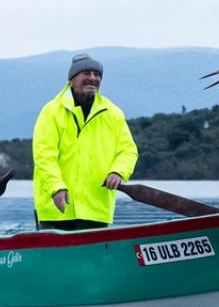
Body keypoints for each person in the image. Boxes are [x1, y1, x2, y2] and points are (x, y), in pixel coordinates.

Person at [32, 53, 139, 230]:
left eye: (97, 75)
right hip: (56, 210)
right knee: (59, 258)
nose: (92, 78)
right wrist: (56, 187)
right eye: (86, 73)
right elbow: (44, 156)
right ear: (72, 79)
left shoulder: (113, 113)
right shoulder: (51, 112)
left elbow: (128, 151)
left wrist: (118, 172)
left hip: (96, 209)